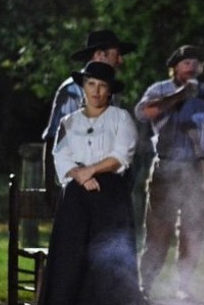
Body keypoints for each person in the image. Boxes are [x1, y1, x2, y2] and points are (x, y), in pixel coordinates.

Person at [35, 62, 156, 305]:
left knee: (109, 256)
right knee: (71, 254)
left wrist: (92, 170)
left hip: (109, 193)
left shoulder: (120, 118)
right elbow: (60, 156)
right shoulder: (70, 121)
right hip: (77, 194)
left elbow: (121, 154)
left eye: (102, 86)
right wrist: (79, 174)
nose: (97, 91)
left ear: (110, 90)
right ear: (84, 87)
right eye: (91, 84)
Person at [135, 44, 204, 300]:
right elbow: (143, 113)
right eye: (185, 62)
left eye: (195, 63)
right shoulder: (159, 90)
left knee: (193, 232)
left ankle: (184, 286)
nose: (190, 67)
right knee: (158, 231)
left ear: (201, 68)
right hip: (166, 167)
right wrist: (179, 96)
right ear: (175, 67)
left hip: (197, 168)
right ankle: (144, 286)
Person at [41, 29, 136, 206]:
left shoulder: (112, 92)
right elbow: (56, 140)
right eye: (117, 54)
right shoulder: (72, 91)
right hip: (79, 185)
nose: (120, 60)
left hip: (108, 185)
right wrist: (55, 188)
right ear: (100, 54)